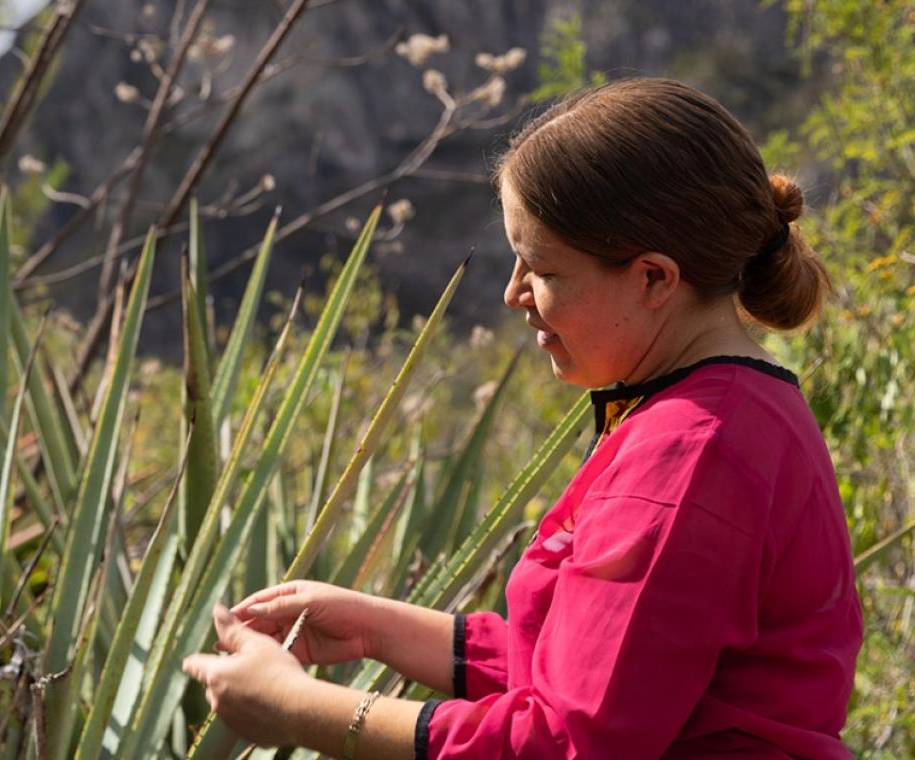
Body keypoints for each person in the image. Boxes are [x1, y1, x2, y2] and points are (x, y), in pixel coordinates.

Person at [181, 77, 863, 759]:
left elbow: (562, 740)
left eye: (542, 269)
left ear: (654, 279)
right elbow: (614, 671)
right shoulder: (742, 410)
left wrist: (300, 708)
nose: (514, 294)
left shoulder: (686, 456)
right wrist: (375, 628)